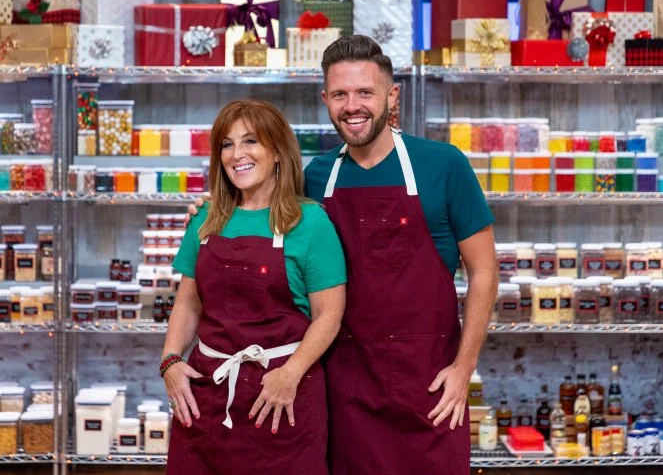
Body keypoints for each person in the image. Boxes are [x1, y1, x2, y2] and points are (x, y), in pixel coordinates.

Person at [189, 36, 498, 474]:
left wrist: (464, 369)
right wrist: (210, 211)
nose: (353, 106)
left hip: (426, 386)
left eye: (365, 93)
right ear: (325, 100)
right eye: (340, 95)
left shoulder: (443, 165)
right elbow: (258, 213)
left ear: (392, 96)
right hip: (342, 387)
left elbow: (484, 271)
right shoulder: (316, 175)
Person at [162, 100, 346, 474]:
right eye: (227, 145)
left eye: (250, 142)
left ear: (277, 151)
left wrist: (291, 373)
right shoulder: (206, 219)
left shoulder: (310, 222)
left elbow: (330, 315)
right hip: (208, 397)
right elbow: (188, 302)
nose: (237, 155)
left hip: (281, 397)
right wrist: (170, 361)